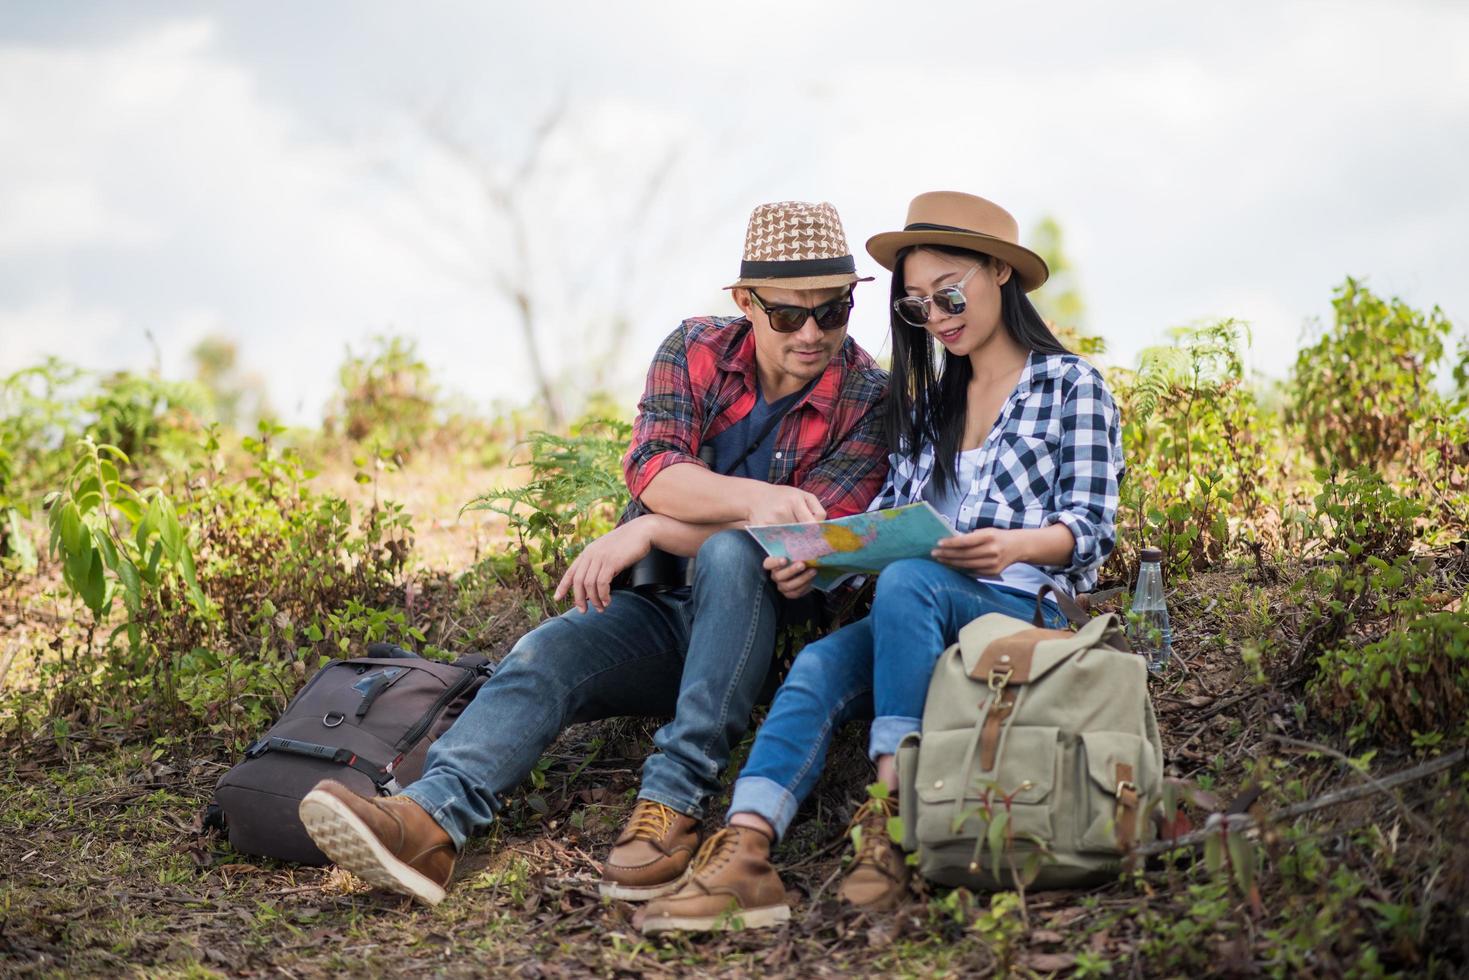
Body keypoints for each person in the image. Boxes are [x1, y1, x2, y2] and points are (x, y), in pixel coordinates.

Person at [296, 201, 889, 906]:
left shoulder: (867, 396)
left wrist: (653, 531)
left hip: (770, 632)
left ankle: (674, 799)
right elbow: (654, 468)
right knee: (546, 654)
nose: (813, 333)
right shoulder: (695, 349)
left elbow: (806, 542)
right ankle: (426, 825)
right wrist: (750, 501)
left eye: (834, 311)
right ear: (745, 303)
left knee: (733, 555)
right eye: (790, 315)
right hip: (667, 615)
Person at [638, 191, 1125, 933]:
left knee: (910, 581)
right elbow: (885, 527)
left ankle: (893, 819)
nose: (937, 318)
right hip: (916, 603)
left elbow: (1090, 531)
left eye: (950, 295)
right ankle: (746, 851)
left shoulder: (1069, 387)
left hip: (1022, 611)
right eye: (917, 307)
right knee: (818, 669)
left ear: (1001, 273)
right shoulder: (926, 404)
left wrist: (1012, 546)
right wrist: (821, 564)